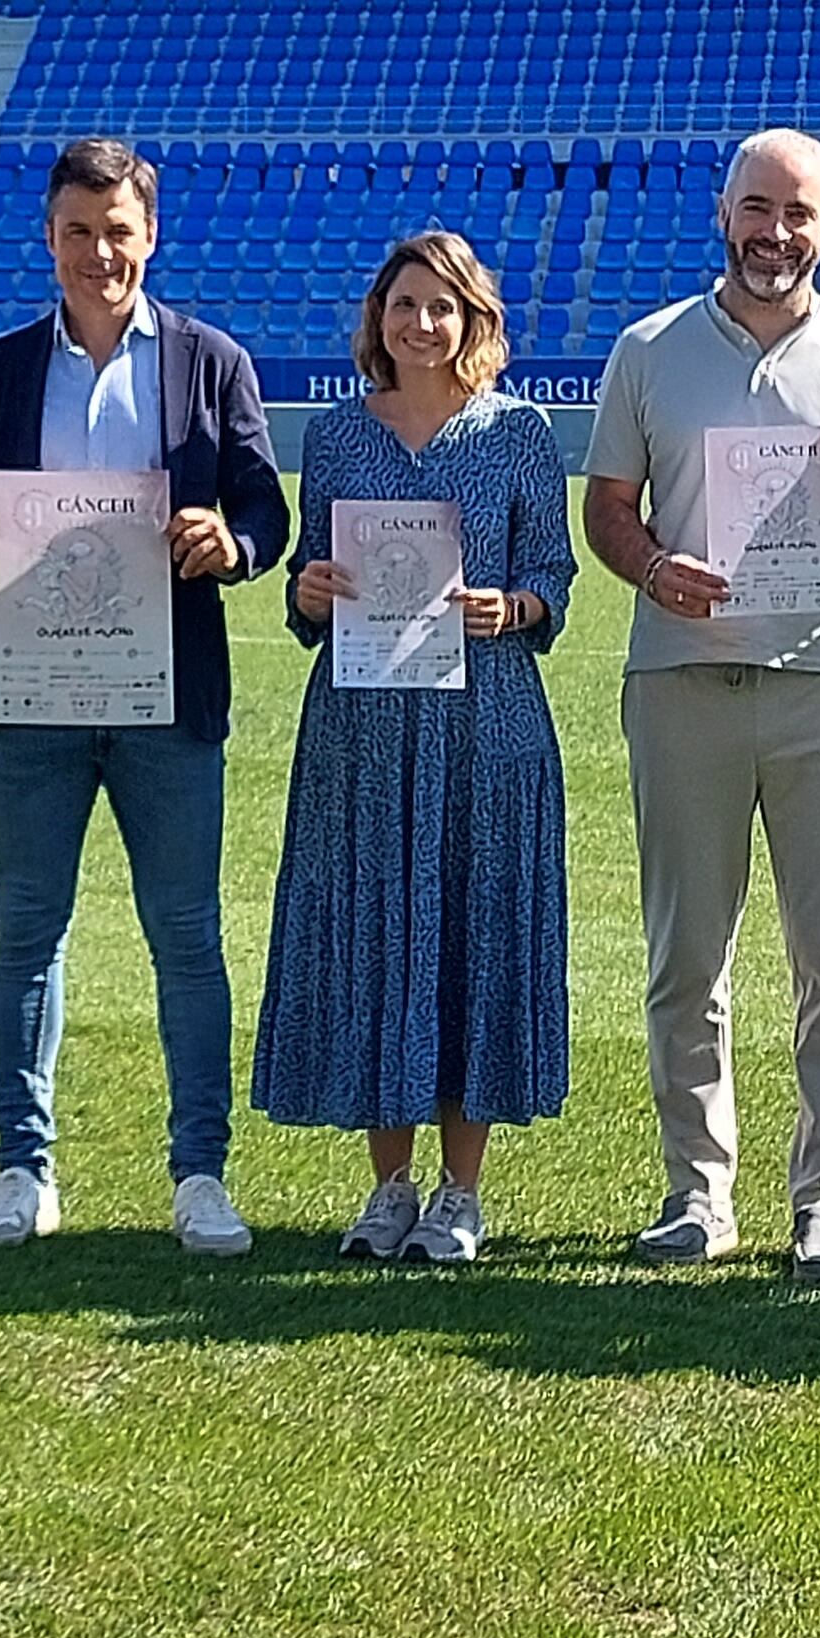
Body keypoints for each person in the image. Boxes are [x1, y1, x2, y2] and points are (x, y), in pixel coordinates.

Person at [580, 127, 820, 1284]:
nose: (774, 233)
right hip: (679, 675)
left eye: (798, 215)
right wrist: (648, 569)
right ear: (722, 211)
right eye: (757, 209)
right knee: (687, 956)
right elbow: (608, 509)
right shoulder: (648, 350)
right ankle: (698, 1195)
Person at [0, 136, 291, 1255]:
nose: (98, 253)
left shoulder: (209, 361)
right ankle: (21, 1167)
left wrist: (226, 542)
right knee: (26, 934)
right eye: (78, 232)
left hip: (165, 697)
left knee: (184, 936)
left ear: (150, 235)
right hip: (33, 696)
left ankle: (199, 1175)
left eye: (117, 232)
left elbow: (267, 516)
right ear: (48, 238)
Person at [258, 231, 574, 1265]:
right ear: (377, 319)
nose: (421, 324)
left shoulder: (517, 433)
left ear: (474, 319)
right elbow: (312, 577)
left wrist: (512, 604)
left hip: (487, 723)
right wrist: (305, 592)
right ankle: (386, 1188)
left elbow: (553, 577)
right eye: (403, 305)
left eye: (442, 307)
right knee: (371, 940)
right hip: (361, 726)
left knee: (469, 939)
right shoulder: (339, 436)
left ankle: (460, 1194)